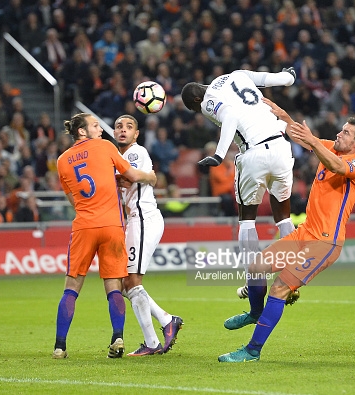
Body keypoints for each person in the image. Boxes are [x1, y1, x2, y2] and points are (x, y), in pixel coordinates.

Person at [217, 98, 355, 362]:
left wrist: (313, 142)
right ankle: (255, 312)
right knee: (256, 268)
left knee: (279, 289)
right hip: (304, 233)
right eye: (342, 129)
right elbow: (300, 135)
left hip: (325, 243)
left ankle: (252, 351)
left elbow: (337, 166)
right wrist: (283, 116)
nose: (339, 133)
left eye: (346, 132)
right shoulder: (329, 149)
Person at [181, 67, 298, 302]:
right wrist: (290, 76)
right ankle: (292, 278)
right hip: (282, 147)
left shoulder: (207, 100)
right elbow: (277, 79)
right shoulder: (237, 74)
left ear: (196, 99)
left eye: (195, 109)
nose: (199, 111)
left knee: (247, 219)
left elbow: (231, 117)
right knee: (283, 216)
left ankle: (253, 281)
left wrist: (218, 154)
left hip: (254, 153)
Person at [52, 113, 157, 360]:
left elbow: (73, 201)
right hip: (111, 226)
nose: (101, 129)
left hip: (84, 226)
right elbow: (131, 175)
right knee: (113, 287)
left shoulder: (62, 160)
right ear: (82, 131)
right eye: (96, 126)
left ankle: (60, 346)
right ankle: (117, 338)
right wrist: (150, 176)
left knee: (71, 288)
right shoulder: (105, 147)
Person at [113, 114, 183, 356]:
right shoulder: (120, 157)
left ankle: (154, 339)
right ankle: (165, 322)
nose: (123, 130)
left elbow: (132, 176)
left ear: (136, 134)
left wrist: (116, 178)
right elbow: (144, 177)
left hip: (143, 219)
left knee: (132, 282)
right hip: (136, 221)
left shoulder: (134, 152)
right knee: (126, 284)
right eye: (119, 126)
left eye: (129, 126)